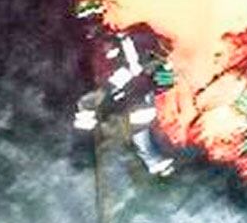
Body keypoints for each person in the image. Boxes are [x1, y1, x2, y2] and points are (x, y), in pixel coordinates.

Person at [74, 21, 176, 177]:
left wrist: (111, 88)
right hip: (139, 97)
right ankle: (156, 164)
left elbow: (132, 71)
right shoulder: (146, 55)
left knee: (136, 129)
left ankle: (156, 164)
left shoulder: (129, 50)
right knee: (138, 133)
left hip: (138, 97)